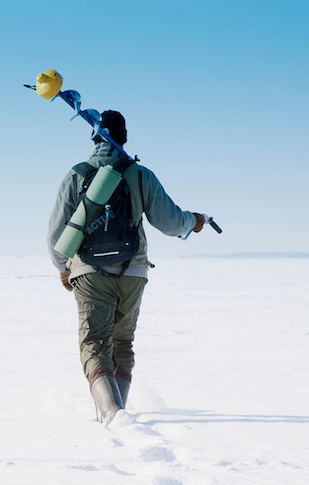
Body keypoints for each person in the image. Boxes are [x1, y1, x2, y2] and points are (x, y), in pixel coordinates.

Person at [47, 110, 205, 425]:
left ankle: (111, 416)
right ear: (125, 138)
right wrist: (195, 222)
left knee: (95, 343)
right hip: (133, 271)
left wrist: (64, 267)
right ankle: (118, 415)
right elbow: (171, 222)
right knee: (121, 342)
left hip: (88, 272)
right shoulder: (140, 174)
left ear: (94, 138)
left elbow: (56, 235)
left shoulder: (76, 174)